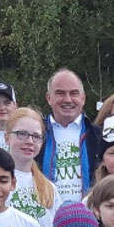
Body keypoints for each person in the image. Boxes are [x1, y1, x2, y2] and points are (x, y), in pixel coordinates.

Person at [40, 69, 103, 204]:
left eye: (74, 93)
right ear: (49, 98)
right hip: (47, 211)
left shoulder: (99, 136)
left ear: (83, 98)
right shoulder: (36, 136)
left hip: (89, 212)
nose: (68, 99)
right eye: (60, 93)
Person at [3, 107, 59, 227]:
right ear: (7, 138)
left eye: (36, 136)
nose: (29, 141)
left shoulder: (50, 189)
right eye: (22, 134)